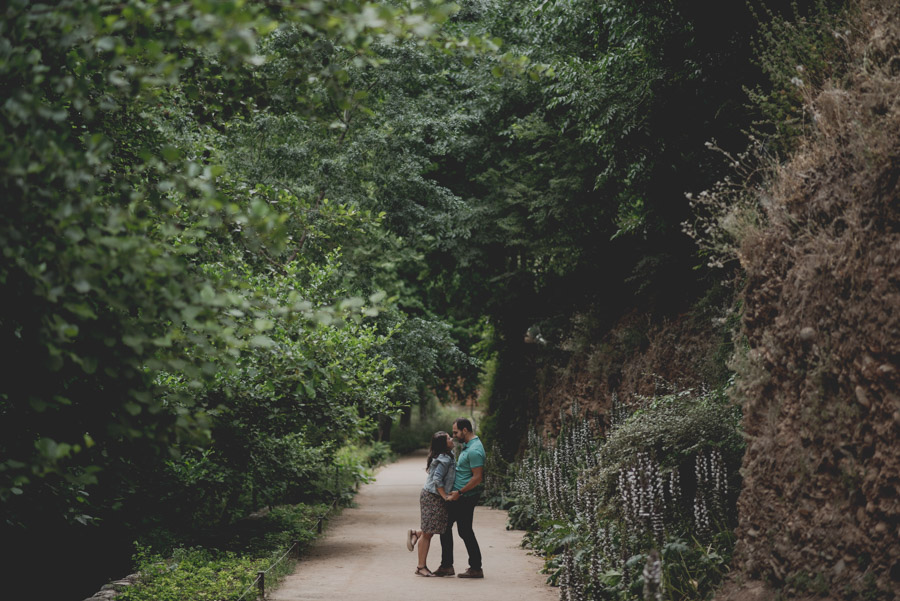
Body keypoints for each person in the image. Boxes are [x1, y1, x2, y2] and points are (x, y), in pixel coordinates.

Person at [435, 417, 485, 578]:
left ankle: (457, 566)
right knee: (461, 530)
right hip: (460, 496)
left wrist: (460, 492)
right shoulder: (468, 446)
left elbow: (477, 478)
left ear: (465, 430)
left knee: (450, 528)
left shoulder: (474, 450)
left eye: (456, 432)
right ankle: (467, 566)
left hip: (464, 497)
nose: (454, 435)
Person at [406, 431, 456, 577]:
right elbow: (437, 479)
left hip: (434, 496)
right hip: (432, 497)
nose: (451, 439)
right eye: (448, 438)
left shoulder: (448, 455)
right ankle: (421, 567)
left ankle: (417, 533)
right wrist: (444, 496)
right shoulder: (443, 460)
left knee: (431, 529)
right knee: (428, 534)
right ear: (442, 444)